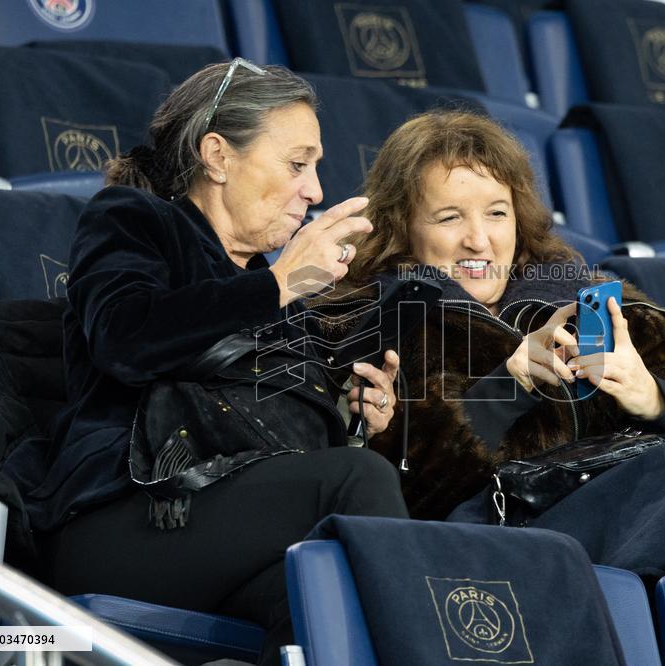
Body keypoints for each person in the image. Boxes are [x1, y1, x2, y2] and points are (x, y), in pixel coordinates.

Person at [34, 60, 408, 664]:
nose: (315, 190)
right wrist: (279, 286)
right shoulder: (134, 219)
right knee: (355, 484)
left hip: (231, 538)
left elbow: (276, 450)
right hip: (126, 518)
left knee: (323, 588)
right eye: (297, 164)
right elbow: (124, 339)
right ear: (217, 156)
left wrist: (359, 419)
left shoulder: (271, 285)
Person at [326, 110, 665, 520]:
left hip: (649, 512)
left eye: (497, 212)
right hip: (521, 542)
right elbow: (398, 498)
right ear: (402, 228)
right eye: (449, 217)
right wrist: (508, 388)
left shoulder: (592, 300)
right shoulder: (375, 328)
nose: (478, 240)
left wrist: (658, 401)